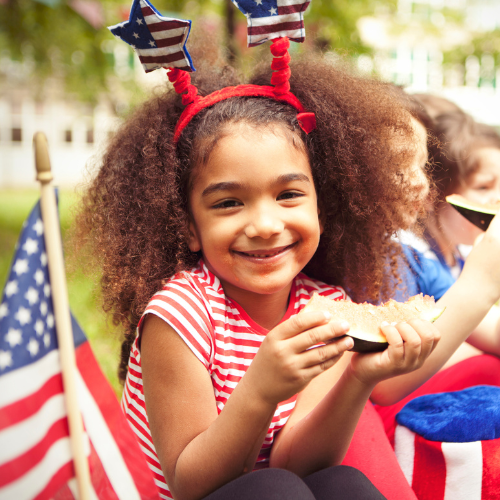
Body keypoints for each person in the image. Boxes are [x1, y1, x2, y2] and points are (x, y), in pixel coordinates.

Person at [72, 44, 447, 500]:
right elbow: (191, 485)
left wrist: (358, 377)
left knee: (341, 483)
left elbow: (301, 463)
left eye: (288, 194)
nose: (266, 226)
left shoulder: (322, 306)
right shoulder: (178, 315)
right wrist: (261, 389)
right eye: (229, 203)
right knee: (273, 490)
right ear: (190, 227)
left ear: (322, 208)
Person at [370, 95, 500, 444]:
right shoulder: (395, 260)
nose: (418, 184)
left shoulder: (431, 258)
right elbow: (383, 379)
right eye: (485, 187)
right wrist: (483, 282)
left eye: (422, 167)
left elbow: (491, 332)